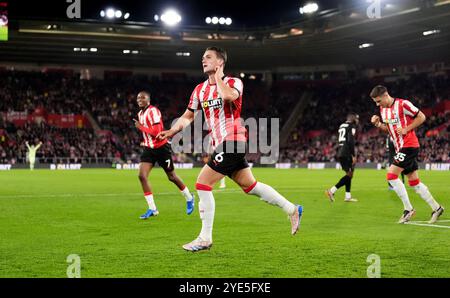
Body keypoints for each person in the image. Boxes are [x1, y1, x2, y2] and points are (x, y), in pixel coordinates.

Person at [157, 47, 303, 252]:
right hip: (222, 144)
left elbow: (227, 97)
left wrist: (218, 77)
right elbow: (188, 116)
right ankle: (292, 209)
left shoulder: (234, 82)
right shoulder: (199, 90)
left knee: (202, 184)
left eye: (208, 57)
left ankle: (204, 238)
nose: (203, 60)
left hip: (233, 141)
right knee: (250, 186)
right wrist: (173, 131)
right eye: (203, 58)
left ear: (220, 62)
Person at [370, 85, 444, 224]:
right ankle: (437, 208)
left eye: (378, 101)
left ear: (386, 95)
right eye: (375, 102)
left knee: (391, 176)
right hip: (400, 147)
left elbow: (421, 116)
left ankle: (408, 209)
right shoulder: (383, 110)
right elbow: (390, 130)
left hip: (409, 145)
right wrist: (378, 124)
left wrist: (407, 129)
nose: (377, 104)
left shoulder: (403, 104)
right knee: (414, 182)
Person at [133, 91, 195, 220]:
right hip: (149, 149)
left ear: (148, 100)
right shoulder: (140, 114)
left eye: (142, 97)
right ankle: (152, 209)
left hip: (162, 148)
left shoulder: (153, 111)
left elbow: (156, 132)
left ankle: (189, 197)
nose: (139, 99)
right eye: (138, 98)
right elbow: (149, 133)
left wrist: (141, 128)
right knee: (142, 176)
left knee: (172, 177)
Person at [325, 113, 359, 202]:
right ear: (353, 119)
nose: (357, 120)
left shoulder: (342, 126)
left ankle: (348, 196)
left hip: (341, 151)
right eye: (356, 119)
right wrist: (353, 155)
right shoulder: (351, 126)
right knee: (349, 174)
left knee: (349, 174)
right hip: (346, 152)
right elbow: (350, 141)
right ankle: (331, 191)